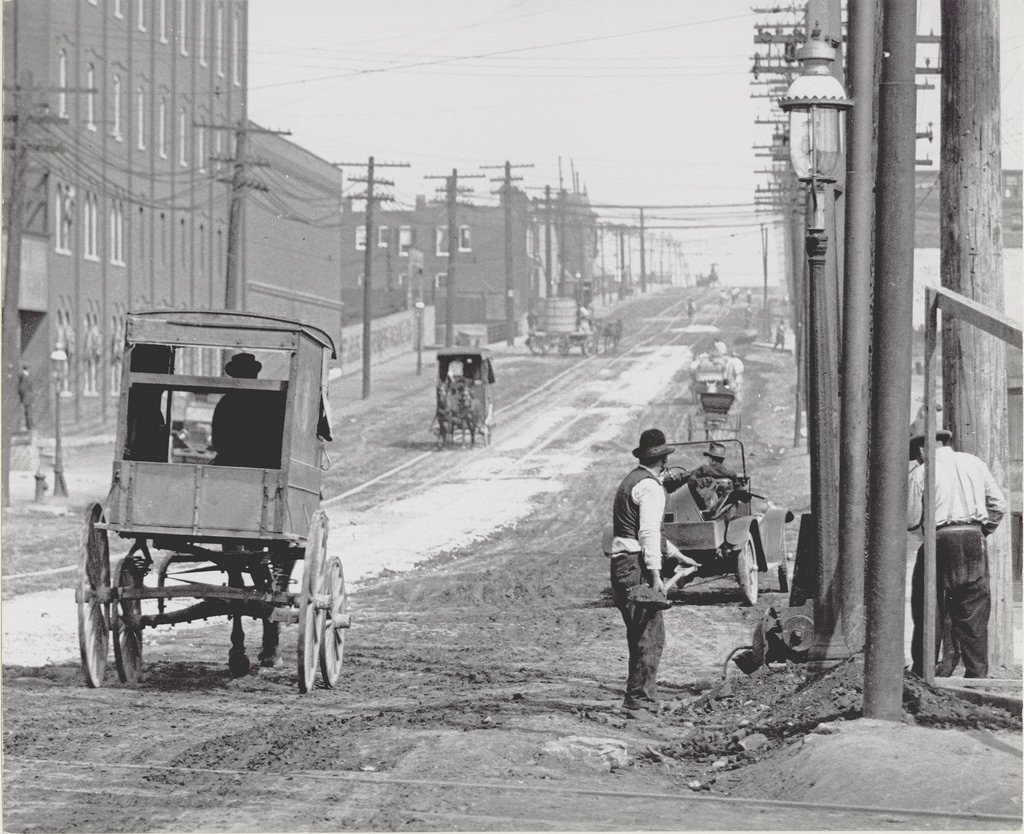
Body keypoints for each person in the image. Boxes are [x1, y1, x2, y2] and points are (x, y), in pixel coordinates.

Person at [907, 430, 1006, 679]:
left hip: (940, 540)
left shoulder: (921, 471)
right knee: (974, 613)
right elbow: (999, 505)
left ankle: (924, 675)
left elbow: (910, 520)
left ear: (921, 450)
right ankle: (977, 678)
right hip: (973, 538)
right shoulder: (974, 463)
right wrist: (982, 531)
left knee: (928, 607)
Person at [608, 429, 686, 718]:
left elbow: (640, 530)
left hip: (621, 565)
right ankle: (640, 702)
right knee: (651, 633)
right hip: (636, 566)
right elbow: (649, 532)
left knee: (639, 633)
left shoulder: (630, 481)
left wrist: (676, 553)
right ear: (664, 461)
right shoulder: (652, 488)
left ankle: (639, 698)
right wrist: (655, 576)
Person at [211, 352, 284, 469]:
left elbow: (218, 442)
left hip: (230, 464)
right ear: (255, 375)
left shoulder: (226, 403)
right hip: (265, 464)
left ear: (234, 377)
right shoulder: (270, 401)